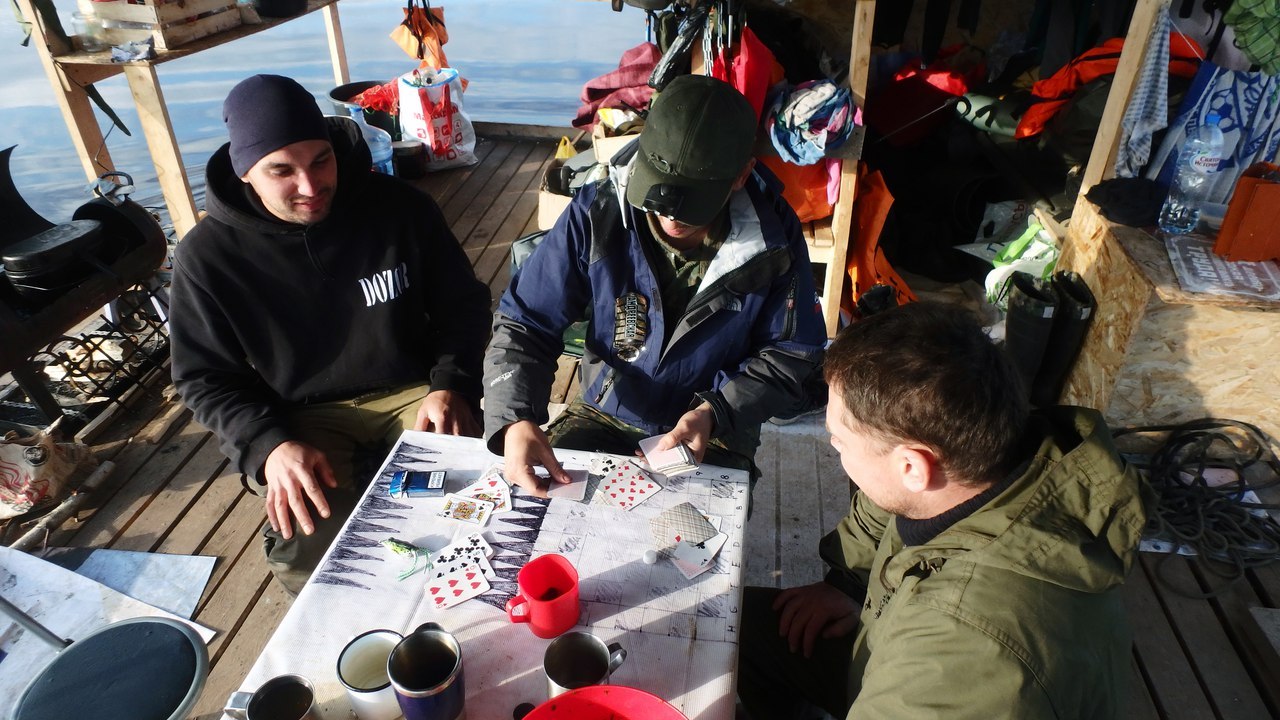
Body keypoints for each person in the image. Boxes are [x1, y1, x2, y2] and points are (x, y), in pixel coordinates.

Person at [737, 302, 1147, 719]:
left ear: (913, 467)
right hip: (886, 643)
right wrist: (846, 582)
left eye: (839, 440)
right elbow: (883, 509)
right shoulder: (989, 453)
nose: (832, 447)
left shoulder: (962, 653)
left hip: (934, 673)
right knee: (740, 628)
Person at [169, 74, 490, 593]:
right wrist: (269, 446)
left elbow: (464, 303)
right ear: (246, 171)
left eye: (321, 159)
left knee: (466, 497)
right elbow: (204, 378)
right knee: (317, 552)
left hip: (414, 388)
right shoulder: (206, 257)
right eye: (282, 170)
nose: (310, 185)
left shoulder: (401, 208)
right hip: (301, 415)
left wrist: (450, 382)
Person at [483, 74, 826, 495]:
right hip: (604, 410)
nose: (669, 214)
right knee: (549, 511)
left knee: (693, 540)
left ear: (741, 175)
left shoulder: (775, 240)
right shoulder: (597, 211)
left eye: (691, 201)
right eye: (658, 194)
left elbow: (790, 353)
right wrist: (514, 417)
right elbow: (524, 321)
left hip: (715, 424)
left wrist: (715, 413)